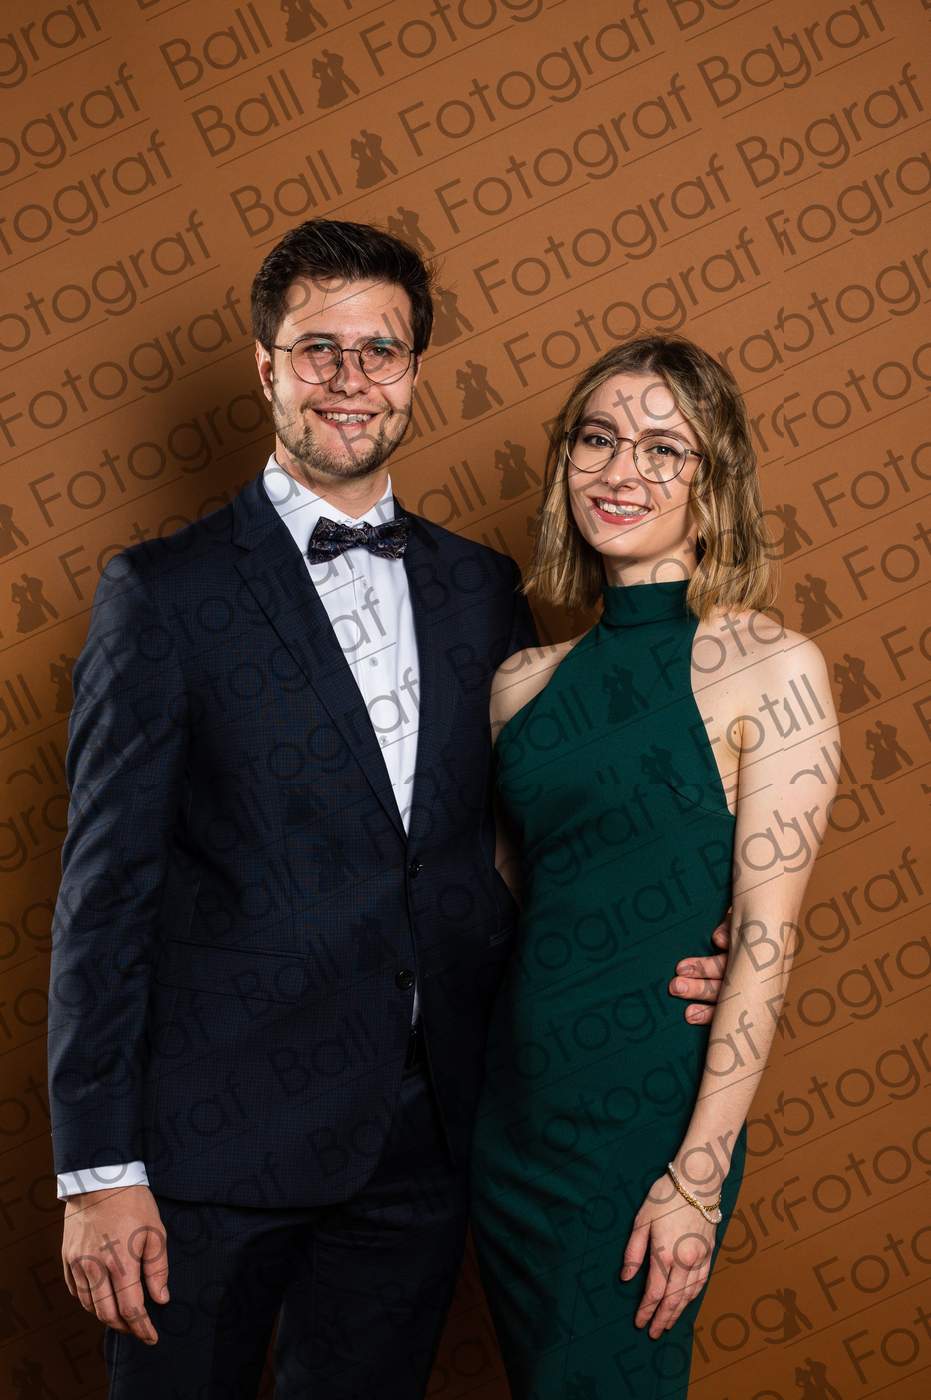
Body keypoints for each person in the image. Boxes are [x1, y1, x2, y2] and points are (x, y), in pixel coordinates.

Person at [47, 223, 730, 1400]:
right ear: (266, 365)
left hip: (421, 1148)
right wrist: (98, 1168)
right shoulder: (162, 592)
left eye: (381, 350)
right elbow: (104, 894)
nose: (350, 379)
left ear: (413, 368)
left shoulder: (478, 588)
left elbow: (532, 839)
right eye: (320, 348)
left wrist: (667, 946)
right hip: (208, 1151)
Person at [470, 335, 839, 1398]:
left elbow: (764, 940)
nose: (620, 470)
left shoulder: (775, 669)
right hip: (513, 1117)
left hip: (644, 1119)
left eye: (663, 449)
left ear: (713, 485)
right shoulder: (518, 682)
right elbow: (507, 906)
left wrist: (698, 1175)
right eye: (597, 438)